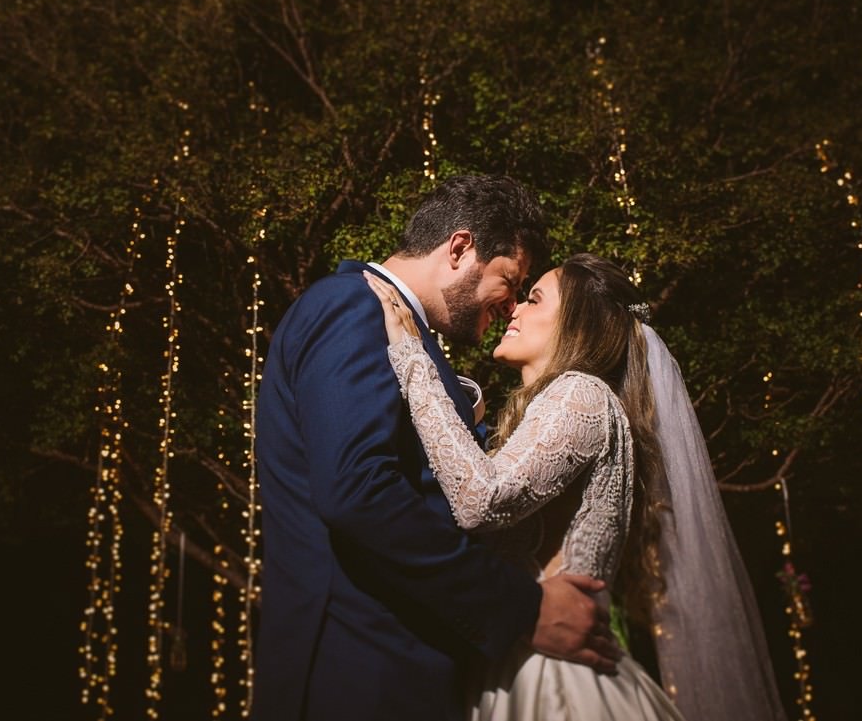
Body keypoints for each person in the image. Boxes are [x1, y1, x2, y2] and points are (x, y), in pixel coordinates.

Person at [252, 175, 622, 721]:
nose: (511, 305)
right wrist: (522, 607)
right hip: (359, 671)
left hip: (399, 672)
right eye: (510, 281)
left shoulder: (402, 334)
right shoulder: (353, 306)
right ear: (459, 249)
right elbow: (359, 491)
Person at [365, 254, 789, 720]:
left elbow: (479, 500)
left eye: (534, 299)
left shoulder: (581, 394)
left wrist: (413, 358)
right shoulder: (566, 406)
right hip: (520, 662)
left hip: (555, 681)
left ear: (577, 323)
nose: (513, 309)